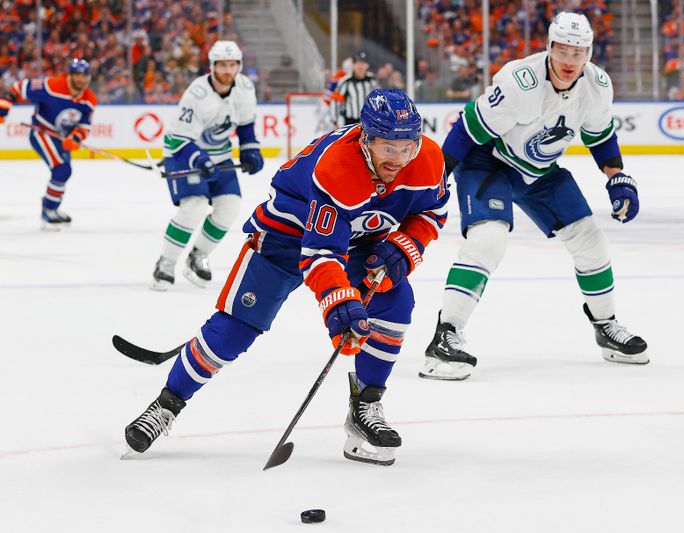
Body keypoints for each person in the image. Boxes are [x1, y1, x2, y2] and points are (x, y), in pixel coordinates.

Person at [124, 89, 448, 466]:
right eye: (387, 148)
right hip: (286, 236)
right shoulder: (338, 168)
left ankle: (366, 406)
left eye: (406, 147)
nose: (397, 159)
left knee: (395, 301)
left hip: (360, 238)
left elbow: (432, 212)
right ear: (365, 138)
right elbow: (320, 254)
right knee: (233, 331)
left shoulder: (427, 158)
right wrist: (339, 306)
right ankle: (166, 405)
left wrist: (407, 244)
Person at [419, 12, 649, 382]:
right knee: (489, 239)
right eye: (563, 50)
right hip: (488, 163)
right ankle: (445, 334)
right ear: (549, 47)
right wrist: (438, 177)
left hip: (539, 171)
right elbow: (469, 127)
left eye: (579, 52)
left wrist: (616, 175)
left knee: (590, 238)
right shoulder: (519, 81)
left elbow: (600, 135)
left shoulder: (597, 85)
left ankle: (605, 325)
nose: (570, 60)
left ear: (588, 52)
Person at [152, 40, 263, 290]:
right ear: (212, 66)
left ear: (239, 66)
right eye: (222, 65)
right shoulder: (197, 94)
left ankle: (197, 256)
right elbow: (180, 139)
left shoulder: (245, 88)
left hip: (219, 155)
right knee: (194, 206)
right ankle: (165, 263)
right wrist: (200, 159)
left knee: (230, 207)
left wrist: (251, 150)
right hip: (183, 152)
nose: (227, 70)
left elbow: (245, 127)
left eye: (232, 65)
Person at [0, 58, 96, 230]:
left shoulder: (89, 100)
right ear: (70, 75)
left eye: (84, 76)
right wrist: (4, 106)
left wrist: (76, 137)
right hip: (41, 132)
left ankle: (52, 208)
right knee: (62, 169)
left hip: (61, 139)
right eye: (77, 75)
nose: (80, 80)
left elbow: (84, 126)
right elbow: (18, 88)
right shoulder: (51, 86)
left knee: (63, 171)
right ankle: (48, 210)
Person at [330, 51, 379, 127]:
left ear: (367, 65)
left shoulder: (372, 81)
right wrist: (334, 122)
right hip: (351, 122)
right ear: (353, 65)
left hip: (370, 121)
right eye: (358, 63)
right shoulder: (345, 81)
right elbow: (336, 101)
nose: (360, 66)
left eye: (363, 63)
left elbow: (379, 100)